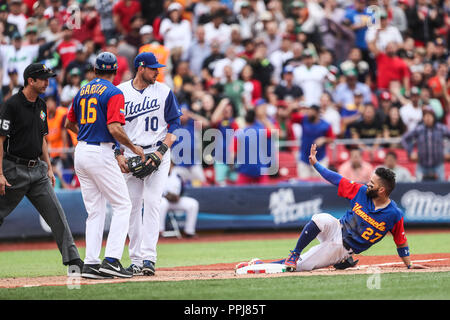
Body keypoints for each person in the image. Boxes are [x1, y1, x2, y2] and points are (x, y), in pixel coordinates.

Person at [281, 143, 424, 272]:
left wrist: (409, 264)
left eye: (372, 183)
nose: (368, 184)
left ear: (381, 190)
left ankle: (274, 263)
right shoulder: (361, 191)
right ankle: (295, 254)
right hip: (337, 228)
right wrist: (316, 164)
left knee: (301, 266)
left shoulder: (394, 214)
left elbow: (400, 240)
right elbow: (337, 179)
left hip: (342, 248)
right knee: (320, 218)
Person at [65, 52, 145, 279]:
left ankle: (91, 263)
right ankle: (111, 260)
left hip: (81, 150)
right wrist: (132, 146)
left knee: (95, 211)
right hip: (100, 151)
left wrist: (88, 135)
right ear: (115, 71)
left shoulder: (82, 90)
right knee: (123, 205)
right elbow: (114, 128)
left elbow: (69, 123)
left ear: (95, 69)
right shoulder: (114, 91)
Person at [0, 63, 83, 276]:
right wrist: (0, 173)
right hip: (12, 170)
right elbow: (0, 141)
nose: (48, 82)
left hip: (37, 171)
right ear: (30, 80)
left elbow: (43, 138)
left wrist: (47, 168)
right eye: (43, 78)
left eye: (48, 78)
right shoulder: (12, 105)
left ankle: (74, 262)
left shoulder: (41, 105)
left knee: (56, 214)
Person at [116, 52, 182, 276]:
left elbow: (174, 125)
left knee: (153, 202)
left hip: (157, 151)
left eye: (158, 68)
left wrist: (162, 151)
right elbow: (114, 127)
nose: (157, 71)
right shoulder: (121, 92)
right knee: (132, 207)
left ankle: (149, 259)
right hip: (131, 152)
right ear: (140, 68)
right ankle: (135, 260)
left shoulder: (164, 91)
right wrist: (118, 154)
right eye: (153, 68)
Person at [401, 106, 450, 182]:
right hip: (422, 165)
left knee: (442, 188)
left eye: (430, 115)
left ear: (433, 117)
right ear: (423, 118)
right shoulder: (419, 129)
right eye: (425, 115)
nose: (427, 118)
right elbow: (405, 138)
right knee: (418, 189)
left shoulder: (441, 128)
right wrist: (410, 152)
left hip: (438, 165)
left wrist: (448, 152)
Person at [159, 161, 199, 238]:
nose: (169, 165)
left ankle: (189, 231)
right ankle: (159, 231)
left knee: (193, 204)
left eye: (170, 163)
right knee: (163, 203)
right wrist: (166, 195)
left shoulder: (177, 175)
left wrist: (178, 196)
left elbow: (182, 188)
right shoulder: (158, 174)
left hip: (175, 201)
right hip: (162, 201)